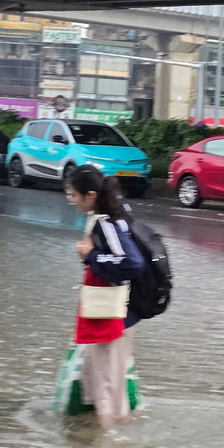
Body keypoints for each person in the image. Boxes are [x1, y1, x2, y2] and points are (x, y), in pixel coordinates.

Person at [65, 166, 145, 429]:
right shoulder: (121, 213)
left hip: (109, 314)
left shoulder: (105, 222)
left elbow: (131, 262)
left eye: (74, 195)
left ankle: (107, 446)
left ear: (90, 195)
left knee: (107, 383)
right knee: (108, 377)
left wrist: (90, 255)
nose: (71, 200)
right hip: (124, 310)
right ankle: (102, 430)